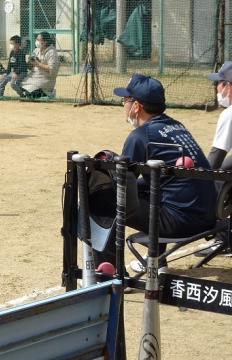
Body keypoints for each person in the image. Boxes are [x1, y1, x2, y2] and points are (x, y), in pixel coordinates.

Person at [92, 74, 217, 271]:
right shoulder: (176, 125)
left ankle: (108, 273)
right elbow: (160, 180)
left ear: (136, 106)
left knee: (99, 200)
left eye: (125, 100)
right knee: (151, 193)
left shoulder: (141, 135)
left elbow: (121, 185)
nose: (123, 104)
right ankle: (157, 262)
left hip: (180, 222)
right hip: (207, 216)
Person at [17, 31, 59, 99]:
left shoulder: (52, 52)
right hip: (33, 76)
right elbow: (30, 67)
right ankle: (37, 93)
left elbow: (53, 70)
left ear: (45, 42)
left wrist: (38, 64)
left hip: (45, 78)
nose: (36, 42)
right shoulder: (36, 50)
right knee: (17, 84)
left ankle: (48, 93)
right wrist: (30, 62)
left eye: (38, 40)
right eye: (36, 39)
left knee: (31, 93)